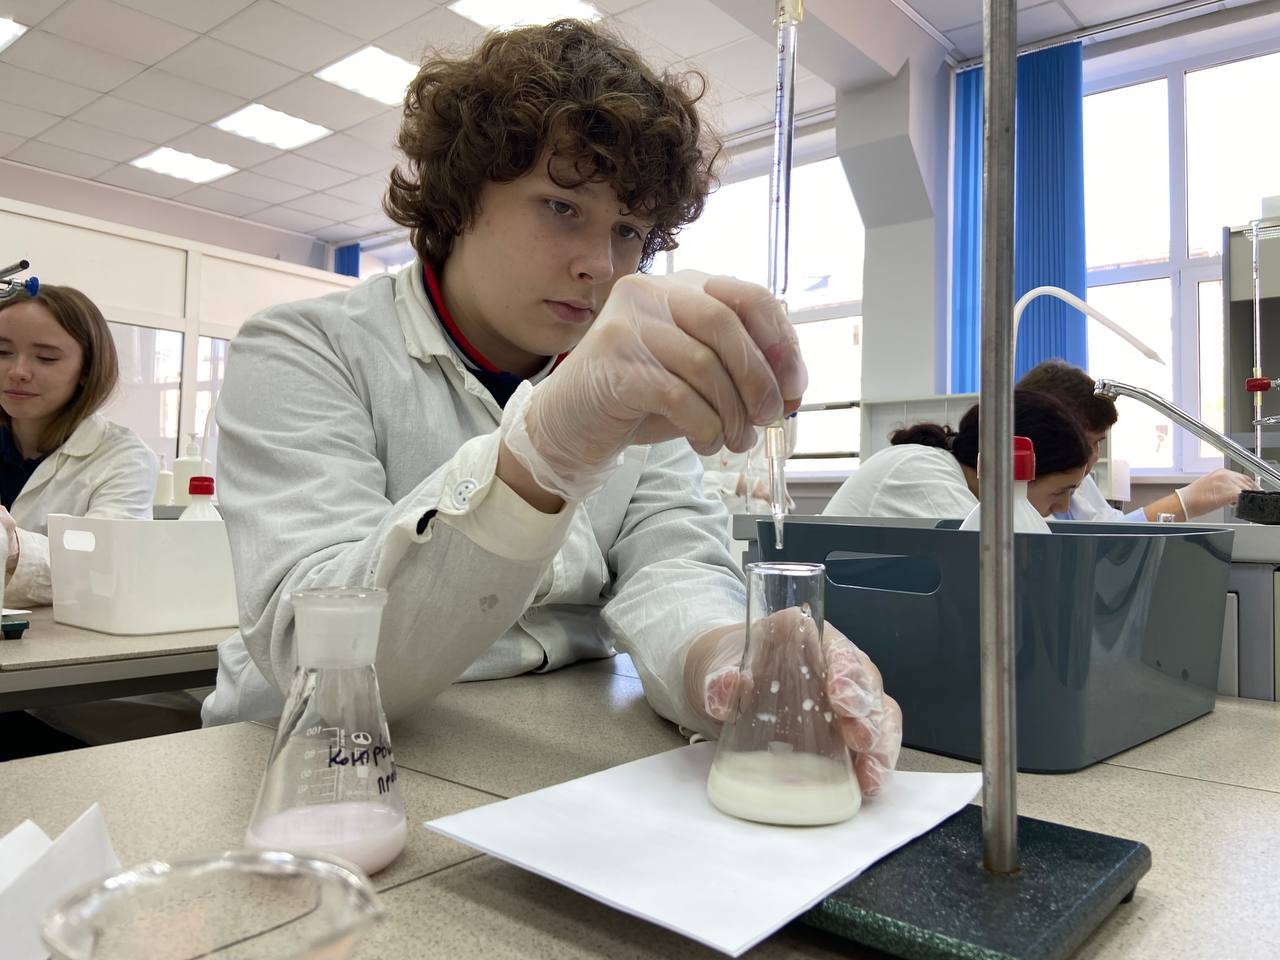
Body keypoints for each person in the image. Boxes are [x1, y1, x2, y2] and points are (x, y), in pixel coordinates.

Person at [201, 21, 900, 795]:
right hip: (306, 772)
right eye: (562, 206)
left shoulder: (631, 372)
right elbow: (319, 657)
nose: (599, 264)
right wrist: (545, 453)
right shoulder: (303, 349)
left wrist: (727, 660)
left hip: (541, 752)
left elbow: (672, 561)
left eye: (628, 230)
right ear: (461, 196)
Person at [0, 285, 157, 606]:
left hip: (62, 635)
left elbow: (104, 566)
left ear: (87, 369)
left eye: (46, 358)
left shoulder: (124, 459)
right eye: (2, 352)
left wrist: (12, 547)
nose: (18, 372)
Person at [1018, 359, 1258, 521]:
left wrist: (1192, 500)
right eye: (1086, 443)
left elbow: (1107, 531)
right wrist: (1186, 501)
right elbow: (1105, 541)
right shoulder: (1026, 493)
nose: (1091, 457)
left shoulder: (1072, 480)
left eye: (1098, 443)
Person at [823, 390, 1091, 519]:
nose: (1062, 508)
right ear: (1014, 470)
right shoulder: (921, 469)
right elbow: (998, 575)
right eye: (1059, 492)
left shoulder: (947, 474)